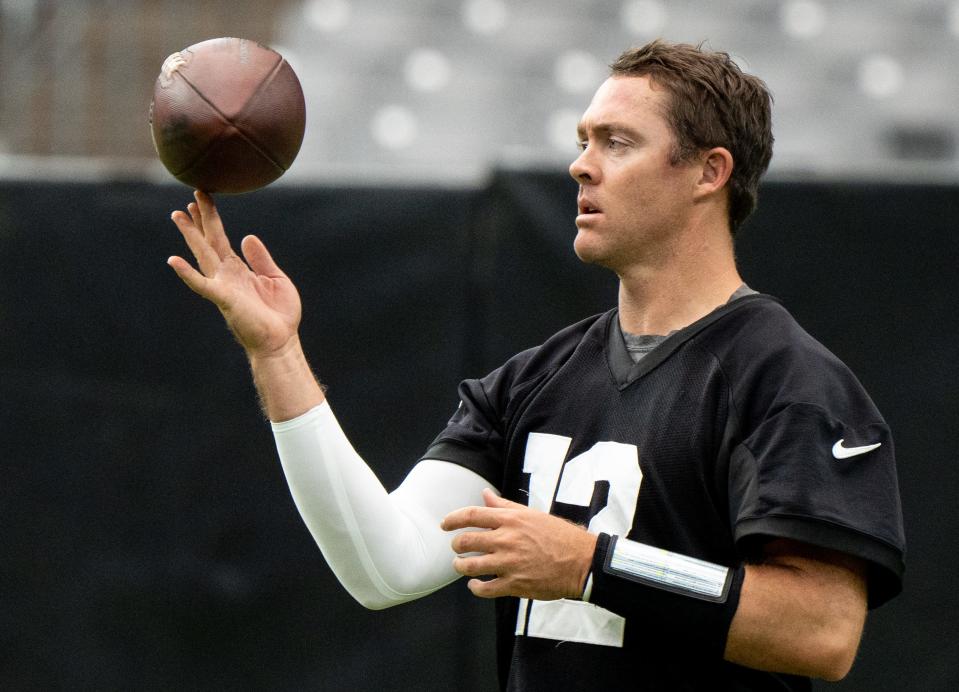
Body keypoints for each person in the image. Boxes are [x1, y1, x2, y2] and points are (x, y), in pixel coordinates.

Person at [168, 40, 905, 691]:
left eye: (616, 142)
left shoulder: (786, 381)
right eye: (583, 140)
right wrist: (276, 351)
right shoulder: (530, 383)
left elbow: (821, 632)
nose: (580, 165)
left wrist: (592, 564)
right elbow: (382, 567)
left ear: (708, 172)